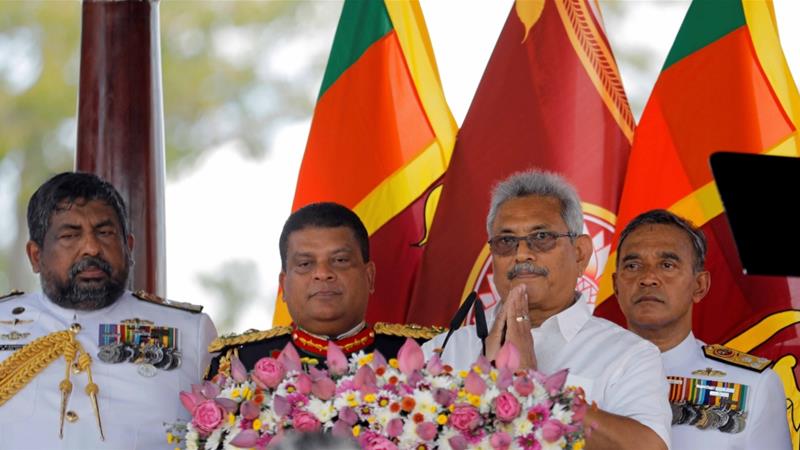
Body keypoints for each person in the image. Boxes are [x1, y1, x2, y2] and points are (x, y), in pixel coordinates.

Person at [422, 170, 671, 450]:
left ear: (580, 253)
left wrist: (534, 388)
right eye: (506, 241)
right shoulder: (444, 350)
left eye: (541, 237)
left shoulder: (628, 354)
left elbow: (651, 447)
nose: (521, 254)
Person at [0, 172, 217, 449]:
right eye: (69, 235)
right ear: (36, 256)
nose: (91, 247)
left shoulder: (189, 331)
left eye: (104, 233)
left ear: (129, 247)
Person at [613, 209, 792, 449]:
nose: (648, 278)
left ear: (699, 285)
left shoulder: (753, 386)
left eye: (667, 265)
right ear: (616, 285)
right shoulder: (576, 374)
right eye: (633, 265)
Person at [207, 202, 441, 377]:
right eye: (305, 264)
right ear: (283, 287)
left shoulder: (427, 355)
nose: (322, 273)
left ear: (369, 277)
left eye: (339, 260)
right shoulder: (240, 363)